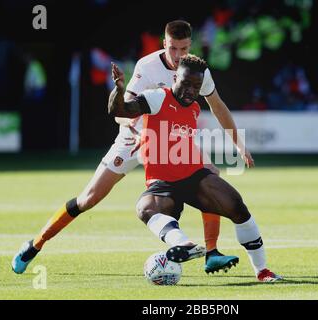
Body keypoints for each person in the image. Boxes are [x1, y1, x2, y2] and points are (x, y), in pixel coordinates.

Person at [12, 20, 252, 275]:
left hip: (172, 143)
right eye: (173, 48)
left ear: (190, 46)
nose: (178, 55)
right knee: (88, 199)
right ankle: (35, 244)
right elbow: (120, 113)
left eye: (183, 49)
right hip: (133, 139)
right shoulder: (146, 67)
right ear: (164, 44)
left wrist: (238, 144)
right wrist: (141, 131)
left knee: (209, 174)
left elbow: (217, 106)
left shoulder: (195, 70)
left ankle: (212, 253)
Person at [108, 54, 282, 282]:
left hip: (193, 177)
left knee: (238, 208)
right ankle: (184, 244)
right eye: (186, 83)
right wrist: (119, 89)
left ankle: (262, 271)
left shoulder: (195, 108)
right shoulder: (157, 97)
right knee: (144, 208)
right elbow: (119, 111)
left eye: (197, 86)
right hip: (161, 183)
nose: (191, 90)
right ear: (175, 78)